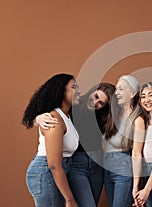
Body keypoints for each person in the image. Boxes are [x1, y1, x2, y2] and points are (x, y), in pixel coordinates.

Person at [35, 83, 115, 207]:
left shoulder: (105, 116)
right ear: (91, 91)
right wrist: (38, 119)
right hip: (77, 163)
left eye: (101, 103)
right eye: (96, 96)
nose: (95, 102)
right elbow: (50, 114)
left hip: (97, 163)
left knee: (92, 203)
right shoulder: (73, 105)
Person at [22, 73, 80, 207]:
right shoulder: (54, 120)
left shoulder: (67, 115)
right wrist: (70, 199)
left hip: (59, 171)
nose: (79, 91)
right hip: (46, 173)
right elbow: (54, 165)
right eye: (74, 87)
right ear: (61, 92)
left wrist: (35, 119)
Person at [102, 75, 146, 207]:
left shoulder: (137, 120)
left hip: (123, 168)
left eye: (121, 89)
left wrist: (136, 185)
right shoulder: (113, 114)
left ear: (133, 93)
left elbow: (137, 154)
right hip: (106, 167)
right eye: (116, 89)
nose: (116, 93)